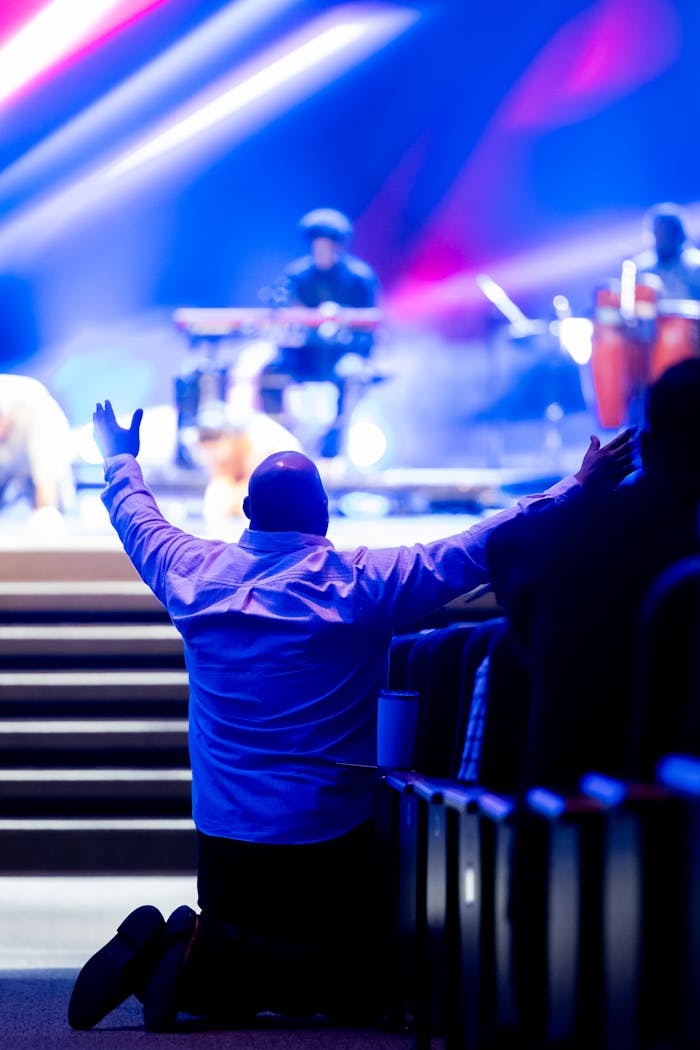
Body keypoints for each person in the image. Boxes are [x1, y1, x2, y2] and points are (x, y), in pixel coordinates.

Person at [67, 401, 634, 1033]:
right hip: (328, 838)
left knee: (267, 974)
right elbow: (478, 547)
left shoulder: (189, 571)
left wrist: (119, 457)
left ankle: (199, 946)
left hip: (225, 838)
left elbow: (135, 517)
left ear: (248, 512)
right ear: (326, 515)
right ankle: (201, 958)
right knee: (352, 994)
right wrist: (576, 489)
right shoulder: (364, 584)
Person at [486, 357, 700, 791]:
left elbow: (503, 550)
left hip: (569, 822)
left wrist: (584, 498)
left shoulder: (552, 542)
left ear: (644, 447)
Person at [259, 208, 380, 458]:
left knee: (350, 373)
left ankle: (333, 447)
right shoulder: (297, 274)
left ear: (339, 247)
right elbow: (280, 307)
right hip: (304, 355)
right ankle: (282, 443)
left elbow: (371, 326)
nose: (322, 251)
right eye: (318, 245)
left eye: (328, 245)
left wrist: (343, 322)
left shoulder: (359, 278)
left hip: (342, 355)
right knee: (270, 372)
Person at [0, 373, 74, 518]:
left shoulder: (38, 410)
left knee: (49, 512)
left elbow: (47, 482)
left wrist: (46, 511)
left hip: (44, 450)